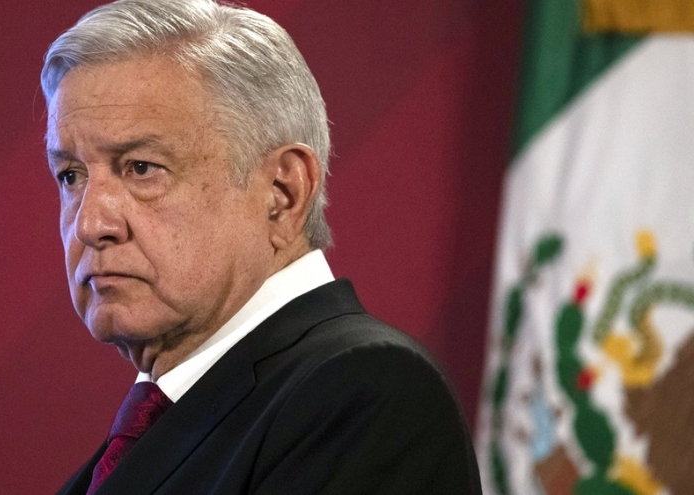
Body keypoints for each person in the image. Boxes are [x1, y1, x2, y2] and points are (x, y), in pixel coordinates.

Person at [41, 0, 481, 493]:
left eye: (141, 168)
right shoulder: (150, 429)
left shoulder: (365, 393)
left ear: (282, 193)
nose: (91, 224)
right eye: (71, 175)